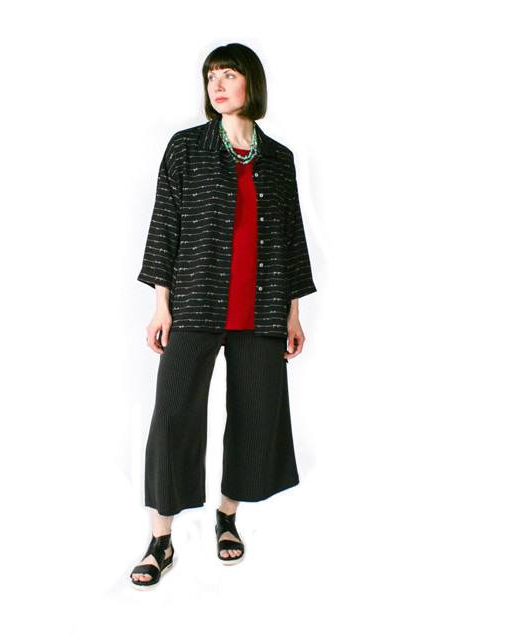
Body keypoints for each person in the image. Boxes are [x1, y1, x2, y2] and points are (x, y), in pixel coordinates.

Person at [130, 43, 317, 589]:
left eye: (228, 75)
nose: (217, 84)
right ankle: (160, 540)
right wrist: (160, 303)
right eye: (211, 75)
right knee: (173, 416)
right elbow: (165, 223)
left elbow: (291, 237)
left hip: (263, 306)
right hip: (195, 301)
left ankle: (227, 516)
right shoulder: (187, 147)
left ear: (250, 83)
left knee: (255, 415)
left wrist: (293, 312)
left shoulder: (279, 158)